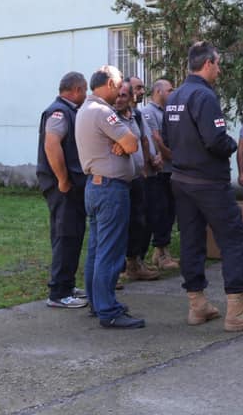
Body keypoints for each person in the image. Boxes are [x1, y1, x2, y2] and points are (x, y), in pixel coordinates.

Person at [164, 42, 243, 332]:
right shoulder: (204, 95)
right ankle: (236, 311)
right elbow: (215, 140)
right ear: (208, 64)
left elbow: (166, 137)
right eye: (218, 64)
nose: (220, 70)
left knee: (191, 240)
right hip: (208, 182)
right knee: (233, 238)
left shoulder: (174, 96)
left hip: (181, 180)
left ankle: (197, 305)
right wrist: (231, 144)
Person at [75, 66, 144, 329]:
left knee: (97, 250)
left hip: (95, 187)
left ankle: (98, 303)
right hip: (110, 189)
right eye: (120, 84)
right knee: (110, 252)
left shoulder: (86, 110)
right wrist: (124, 144)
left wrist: (122, 144)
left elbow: (127, 142)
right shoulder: (103, 112)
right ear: (111, 84)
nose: (122, 90)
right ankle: (108, 310)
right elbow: (132, 143)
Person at [36, 71, 89, 309]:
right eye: (84, 90)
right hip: (63, 186)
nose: (85, 94)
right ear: (76, 90)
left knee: (73, 234)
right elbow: (52, 145)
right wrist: (63, 180)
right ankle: (59, 293)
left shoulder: (70, 111)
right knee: (65, 235)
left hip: (71, 185)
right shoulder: (58, 112)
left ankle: (67, 284)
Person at [115, 83, 160, 282]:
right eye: (117, 95)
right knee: (118, 224)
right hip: (118, 179)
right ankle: (116, 271)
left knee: (139, 221)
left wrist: (146, 164)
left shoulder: (136, 116)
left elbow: (143, 140)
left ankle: (134, 264)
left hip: (137, 177)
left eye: (123, 95)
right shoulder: (109, 117)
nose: (119, 99)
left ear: (130, 97)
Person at [142, 78, 180, 270]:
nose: (173, 93)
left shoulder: (167, 111)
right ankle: (160, 253)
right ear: (158, 91)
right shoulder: (148, 112)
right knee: (160, 211)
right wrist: (165, 155)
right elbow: (155, 139)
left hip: (170, 169)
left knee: (169, 211)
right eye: (170, 90)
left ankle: (162, 252)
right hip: (159, 170)